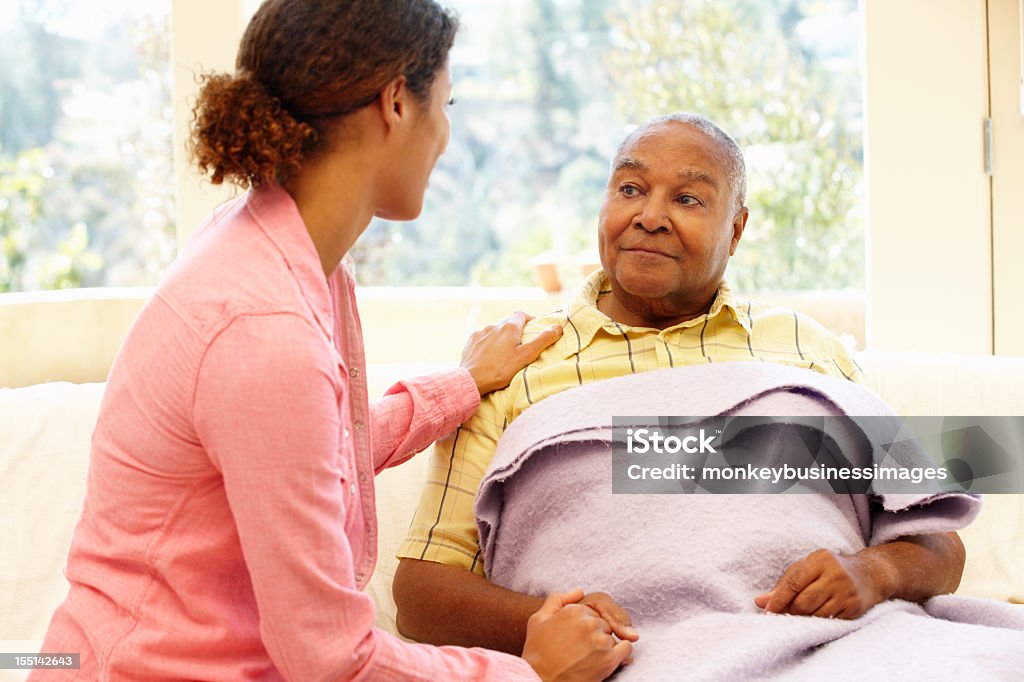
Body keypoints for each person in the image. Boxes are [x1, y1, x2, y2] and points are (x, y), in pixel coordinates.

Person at [30, 2, 633, 680]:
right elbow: (333, 661)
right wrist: (531, 672)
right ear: (396, 104)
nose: (447, 134)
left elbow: (311, 456)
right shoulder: (263, 331)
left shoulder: (281, 248)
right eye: (446, 102)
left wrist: (461, 386)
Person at [393, 113, 966, 654]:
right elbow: (420, 591)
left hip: (824, 647)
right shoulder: (512, 364)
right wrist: (547, 621)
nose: (649, 216)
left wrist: (875, 571)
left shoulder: (806, 348)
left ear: (736, 230)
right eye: (630, 189)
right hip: (612, 662)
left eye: (688, 199)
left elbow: (939, 540)